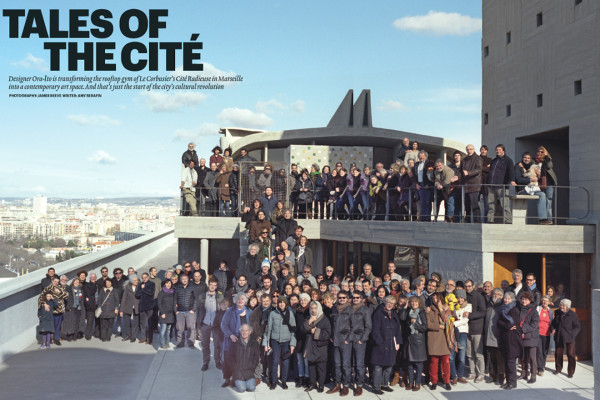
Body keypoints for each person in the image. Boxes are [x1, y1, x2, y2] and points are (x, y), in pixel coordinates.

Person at [370, 295, 402, 395]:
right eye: (388, 302)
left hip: (391, 344)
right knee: (378, 367)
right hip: (380, 344)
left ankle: (384, 384)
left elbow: (397, 329)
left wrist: (398, 342)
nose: (390, 305)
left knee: (389, 366)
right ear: (384, 302)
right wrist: (379, 341)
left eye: (392, 303)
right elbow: (375, 330)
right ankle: (376, 386)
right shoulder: (378, 313)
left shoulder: (394, 314)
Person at [341, 291, 371, 396]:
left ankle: (359, 385)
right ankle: (346, 385)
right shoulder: (347, 309)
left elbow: (368, 326)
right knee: (346, 363)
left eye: (357, 297)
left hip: (359, 340)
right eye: (354, 297)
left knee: (359, 364)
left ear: (361, 298)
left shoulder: (365, 310)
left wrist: (362, 339)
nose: (355, 299)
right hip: (347, 340)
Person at [263, 296, 296, 390]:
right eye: (280, 302)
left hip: (286, 341)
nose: (281, 304)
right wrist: (266, 343)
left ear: (286, 304)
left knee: (285, 361)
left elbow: (293, 330)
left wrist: (292, 344)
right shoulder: (273, 314)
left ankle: (284, 380)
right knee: (275, 360)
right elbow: (268, 329)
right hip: (275, 341)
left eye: (283, 302)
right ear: (277, 304)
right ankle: (273, 381)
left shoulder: (290, 313)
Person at [221, 292, 253, 387]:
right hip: (232, 339)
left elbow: (252, 326)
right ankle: (227, 379)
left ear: (245, 301)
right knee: (228, 360)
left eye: (242, 299)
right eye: (238, 299)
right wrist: (230, 335)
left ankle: (236, 378)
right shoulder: (230, 311)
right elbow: (224, 325)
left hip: (243, 340)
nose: (240, 301)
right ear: (235, 300)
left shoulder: (249, 311)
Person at [301, 300, 331, 393]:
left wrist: (316, 331)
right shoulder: (309, 317)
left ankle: (321, 385)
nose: (313, 310)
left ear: (319, 309)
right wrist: (309, 322)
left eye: (315, 308)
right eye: (312, 308)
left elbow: (327, 333)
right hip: (311, 346)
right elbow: (302, 330)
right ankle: (312, 384)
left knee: (321, 367)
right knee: (311, 366)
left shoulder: (324, 319)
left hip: (320, 346)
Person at [426, 292, 452, 391]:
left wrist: (441, 309)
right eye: (433, 298)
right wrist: (439, 326)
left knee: (446, 361)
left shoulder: (446, 309)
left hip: (444, 338)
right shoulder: (429, 310)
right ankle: (434, 381)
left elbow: (448, 321)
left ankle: (447, 381)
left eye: (437, 298)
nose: (435, 300)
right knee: (434, 362)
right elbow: (428, 324)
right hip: (433, 337)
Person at [198, 278, 224, 369]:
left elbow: (222, 310)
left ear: (216, 286)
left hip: (216, 325)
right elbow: (199, 310)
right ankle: (205, 362)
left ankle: (218, 361)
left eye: (214, 285)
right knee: (205, 345)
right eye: (211, 284)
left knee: (217, 345)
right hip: (205, 323)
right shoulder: (202, 296)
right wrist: (199, 323)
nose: (212, 286)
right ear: (208, 285)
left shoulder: (220, 297)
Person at [498, 291, 522, 390]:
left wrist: (505, 325)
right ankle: (508, 381)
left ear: (512, 300)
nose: (506, 300)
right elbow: (499, 322)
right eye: (505, 298)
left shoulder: (514, 310)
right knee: (507, 361)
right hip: (506, 338)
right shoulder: (503, 309)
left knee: (511, 361)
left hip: (513, 339)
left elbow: (511, 324)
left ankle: (512, 382)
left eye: (509, 299)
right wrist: (505, 325)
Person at [487, 144, 516, 223]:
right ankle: (490, 220)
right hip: (491, 185)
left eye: (499, 150)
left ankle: (508, 220)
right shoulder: (494, 160)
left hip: (502, 186)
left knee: (505, 204)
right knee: (491, 204)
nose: (498, 151)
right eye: (497, 150)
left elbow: (511, 171)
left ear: (504, 151)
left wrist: (512, 180)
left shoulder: (508, 160)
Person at [551, 298, 580, 378]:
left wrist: (572, 334)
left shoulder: (572, 314)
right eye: (560, 305)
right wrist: (552, 329)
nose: (561, 307)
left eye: (563, 305)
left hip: (569, 338)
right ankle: (558, 368)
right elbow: (553, 323)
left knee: (571, 354)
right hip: (559, 336)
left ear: (567, 306)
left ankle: (571, 371)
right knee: (558, 354)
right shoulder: (557, 312)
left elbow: (577, 326)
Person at [465, 279, 486, 382]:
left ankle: (481, 374)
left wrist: (470, 315)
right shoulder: (465, 296)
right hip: (466, 329)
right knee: (469, 354)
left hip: (477, 329)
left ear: (473, 286)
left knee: (478, 354)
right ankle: (472, 372)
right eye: (466, 286)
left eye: (469, 286)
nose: (468, 288)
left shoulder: (479, 297)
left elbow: (483, 312)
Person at [484, 287, 505, 385]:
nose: (496, 296)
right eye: (494, 294)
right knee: (491, 358)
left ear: (502, 296)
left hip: (498, 337)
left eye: (498, 294)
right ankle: (492, 376)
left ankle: (500, 377)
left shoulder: (503, 306)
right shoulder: (489, 305)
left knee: (500, 359)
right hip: (489, 336)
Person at [450, 289, 471, 385]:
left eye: (462, 298)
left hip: (462, 333)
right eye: (458, 298)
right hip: (452, 332)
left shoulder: (468, 306)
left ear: (465, 298)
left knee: (461, 357)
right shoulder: (453, 306)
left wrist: (453, 323)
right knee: (451, 356)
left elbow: (465, 320)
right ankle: (453, 376)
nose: (460, 300)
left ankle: (460, 375)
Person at [232, 324, 261, 393]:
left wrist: (252, 368)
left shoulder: (254, 343)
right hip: (238, 372)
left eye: (246, 331)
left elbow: (256, 358)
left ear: (250, 332)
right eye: (242, 331)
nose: (244, 332)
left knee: (251, 388)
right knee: (242, 389)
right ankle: (235, 380)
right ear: (240, 332)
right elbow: (230, 357)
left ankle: (242, 382)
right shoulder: (235, 342)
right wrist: (235, 369)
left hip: (249, 371)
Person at [39, 276, 68, 345]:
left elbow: (66, 296)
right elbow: (40, 298)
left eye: (57, 282)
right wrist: (44, 304)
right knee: (50, 325)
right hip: (50, 311)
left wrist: (59, 292)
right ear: (52, 281)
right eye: (55, 281)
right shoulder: (47, 288)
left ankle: (56, 339)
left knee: (58, 326)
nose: (56, 283)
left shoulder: (60, 288)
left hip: (59, 311)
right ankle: (49, 339)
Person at [461, 144, 483, 222]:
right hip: (466, 185)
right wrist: (457, 177)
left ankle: (477, 222)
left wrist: (469, 173)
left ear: (474, 149)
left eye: (471, 149)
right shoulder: (464, 160)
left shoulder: (478, 158)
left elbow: (478, 169)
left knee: (475, 205)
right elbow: (460, 171)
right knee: (467, 206)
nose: (469, 151)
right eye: (467, 149)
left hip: (474, 185)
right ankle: (467, 222)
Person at [175, 274, 197, 348]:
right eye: (183, 279)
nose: (184, 280)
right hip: (180, 312)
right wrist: (176, 311)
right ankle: (180, 343)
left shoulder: (192, 287)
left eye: (186, 279)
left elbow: (196, 299)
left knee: (191, 328)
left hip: (189, 311)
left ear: (188, 279)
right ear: (180, 280)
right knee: (180, 329)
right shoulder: (178, 288)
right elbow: (174, 300)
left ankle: (191, 343)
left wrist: (193, 309)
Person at [535, 146, 557, 221]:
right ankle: (543, 219)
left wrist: (547, 156)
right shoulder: (534, 161)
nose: (540, 153)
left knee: (549, 201)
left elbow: (549, 166)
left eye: (542, 152)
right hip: (539, 184)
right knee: (541, 200)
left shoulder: (548, 160)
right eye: (538, 151)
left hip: (549, 184)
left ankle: (549, 219)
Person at [294, 293, 311, 388]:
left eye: (305, 300)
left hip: (307, 338)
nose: (303, 301)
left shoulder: (310, 310)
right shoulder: (298, 311)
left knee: (306, 360)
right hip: (299, 338)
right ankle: (300, 376)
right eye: (301, 300)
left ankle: (307, 377)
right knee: (299, 359)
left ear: (308, 301)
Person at [135, 272, 156, 344]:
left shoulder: (152, 284)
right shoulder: (140, 285)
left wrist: (143, 289)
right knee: (142, 323)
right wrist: (142, 289)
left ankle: (149, 338)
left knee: (150, 323)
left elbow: (151, 293)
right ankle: (143, 338)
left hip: (149, 306)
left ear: (148, 277)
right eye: (142, 278)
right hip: (142, 306)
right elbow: (137, 294)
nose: (144, 279)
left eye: (145, 277)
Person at [120, 274, 140, 342]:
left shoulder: (140, 287)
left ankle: (133, 336)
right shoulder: (127, 288)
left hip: (137, 307)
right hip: (127, 307)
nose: (136, 281)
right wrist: (121, 310)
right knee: (127, 322)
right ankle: (128, 335)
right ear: (131, 281)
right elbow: (124, 299)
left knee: (135, 323)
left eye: (137, 280)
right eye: (134, 280)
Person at [536, 295, 554, 376]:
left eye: (546, 301)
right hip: (538, 334)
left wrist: (553, 329)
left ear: (549, 302)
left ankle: (542, 365)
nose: (544, 302)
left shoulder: (550, 311)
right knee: (539, 351)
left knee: (545, 352)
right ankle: (540, 369)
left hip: (547, 334)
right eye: (543, 300)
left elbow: (551, 323)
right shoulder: (538, 309)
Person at [415, 150, 434, 221]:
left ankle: (427, 218)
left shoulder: (429, 163)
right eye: (420, 157)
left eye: (422, 157)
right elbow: (414, 175)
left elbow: (431, 175)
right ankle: (423, 217)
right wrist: (416, 184)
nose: (421, 158)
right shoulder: (416, 164)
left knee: (427, 202)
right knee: (422, 202)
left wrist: (428, 184)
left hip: (427, 185)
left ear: (426, 156)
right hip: (420, 185)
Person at [157, 279, 176, 349]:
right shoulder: (161, 293)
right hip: (164, 314)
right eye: (167, 283)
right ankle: (162, 344)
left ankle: (167, 343)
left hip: (171, 314)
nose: (168, 285)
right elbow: (159, 303)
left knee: (168, 330)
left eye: (170, 283)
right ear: (164, 284)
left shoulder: (173, 292)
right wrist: (162, 313)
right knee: (163, 330)